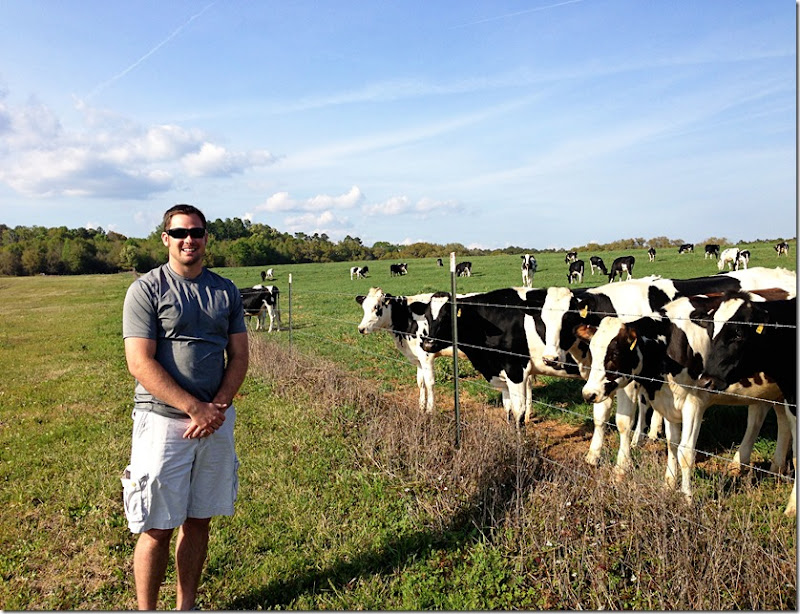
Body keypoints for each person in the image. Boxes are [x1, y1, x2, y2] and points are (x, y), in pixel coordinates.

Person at [121, 204, 249, 610]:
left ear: (206, 237)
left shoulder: (225, 291)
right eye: (179, 233)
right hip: (163, 422)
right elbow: (139, 362)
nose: (188, 239)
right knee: (157, 525)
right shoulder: (147, 289)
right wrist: (195, 408)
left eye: (196, 232)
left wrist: (217, 407)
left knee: (198, 521)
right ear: (166, 238)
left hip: (215, 421)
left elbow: (239, 356)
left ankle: (187, 606)